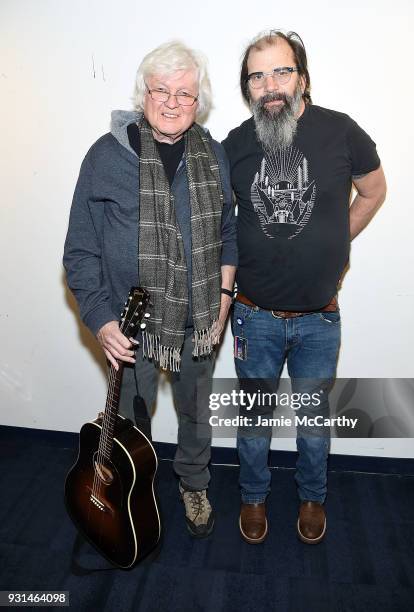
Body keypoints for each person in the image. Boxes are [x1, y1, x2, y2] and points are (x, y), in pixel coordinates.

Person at [64, 41, 237, 538]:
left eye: (184, 92)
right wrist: (100, 319)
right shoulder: (105, 156)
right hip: (132, 326)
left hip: (199, 320)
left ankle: (194, 485)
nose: (170, 101)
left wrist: (223, 303)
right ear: (143, 94)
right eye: (160, 89)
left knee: (196, 414)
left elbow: (228, 234)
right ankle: (130, 493)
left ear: (197, 101)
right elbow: (79, 251)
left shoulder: (214, 154)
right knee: (129, 425)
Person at [222, 30, 386, 545]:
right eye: (258, 75)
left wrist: (336, 238)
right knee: (253, 422)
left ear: (303, 79)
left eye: (281, 71)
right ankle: (252, 497)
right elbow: (222, 223)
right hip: (253, 316)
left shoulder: (342, 132)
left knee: (314, 421)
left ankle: (313, 496)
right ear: (248, 89)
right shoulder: (234, 144)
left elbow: (374, 191)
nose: (270, 85)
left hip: (320, 317)